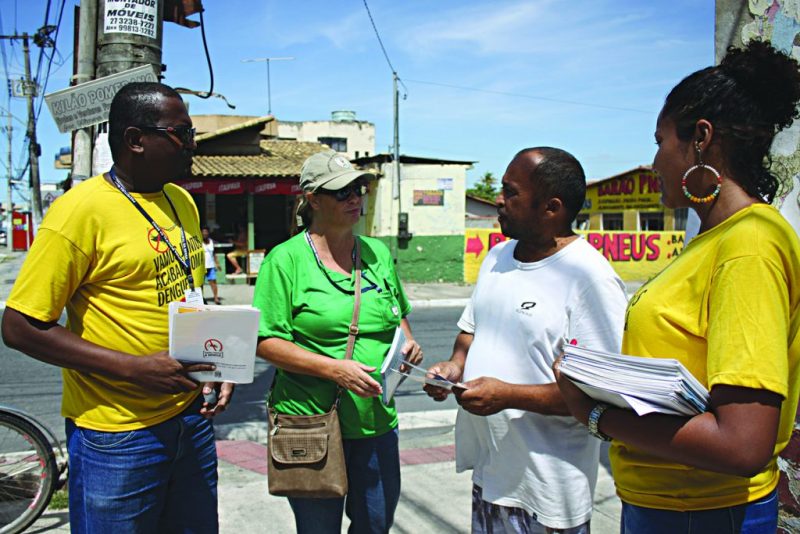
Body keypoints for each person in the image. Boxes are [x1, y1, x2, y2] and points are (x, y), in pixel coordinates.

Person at [553, 40, 800, 533]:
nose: (653, 162)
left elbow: (743, 443)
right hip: (672, 506)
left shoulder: (748, 245)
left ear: (701, 139)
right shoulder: (715, 239)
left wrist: (596, 414)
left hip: (704, 514)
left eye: (660, 141)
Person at [1, 82, 234, 532]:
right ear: (135, 139)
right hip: (119, 435)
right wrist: (132, 368)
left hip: (190, 418)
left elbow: (187, 295)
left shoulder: (181, 201)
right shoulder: (79, 212)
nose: (192, 144)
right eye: (181, 133)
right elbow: (19, 326)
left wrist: (218, 364)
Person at [425, 147, 628, 533]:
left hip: (547, 493)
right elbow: (470, 332)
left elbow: (601, 394)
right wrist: (453, 367)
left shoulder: (590, 279)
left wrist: (508, 396)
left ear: (551, 208)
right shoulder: (497, 257)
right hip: (491, 476)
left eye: (511, 192)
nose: (498, 200)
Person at [254, 149, 423, 534]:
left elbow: (398, 314)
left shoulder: (377, 253)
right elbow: (265, 342)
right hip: (311, 423)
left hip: (376, 422)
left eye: (358, 189)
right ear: (313, 199)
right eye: (342, 192)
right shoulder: (285, 260)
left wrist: (408, 344)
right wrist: (334, 370)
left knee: (376, 524)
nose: (354, 199)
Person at [203, 226, 222, 304]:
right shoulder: (199, 242)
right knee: (200, 284)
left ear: (208, 233)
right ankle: (200, 299)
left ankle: (216, 298)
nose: (204, 233)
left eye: (206, 232)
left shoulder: (211, 242)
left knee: (213, 282)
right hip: (202, 267)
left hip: (211, 266)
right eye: (203, 232)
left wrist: (217, 263)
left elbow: (214, 253)